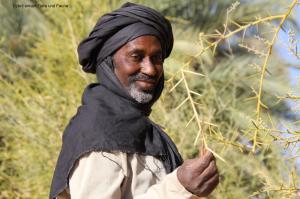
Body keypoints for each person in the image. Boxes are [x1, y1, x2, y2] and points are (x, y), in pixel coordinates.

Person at [49, 2, 219, 199]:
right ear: (109, 63)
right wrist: (179, 186)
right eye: (136, 56)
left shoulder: (142, 130)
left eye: (157, 58)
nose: (150, 69)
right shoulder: (99, 134)